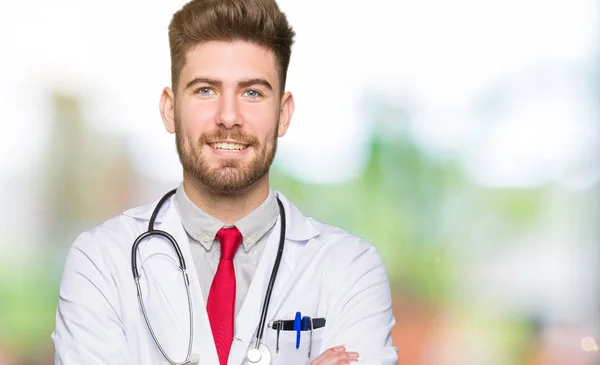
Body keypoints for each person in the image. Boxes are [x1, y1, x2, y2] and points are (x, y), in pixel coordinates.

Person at [51, 0, 398, 364]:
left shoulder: (351, 269)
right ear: (170, 109)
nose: (228, 117)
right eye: (205, 90)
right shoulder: (101, 262)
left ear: (283, 113)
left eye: (252, 93)